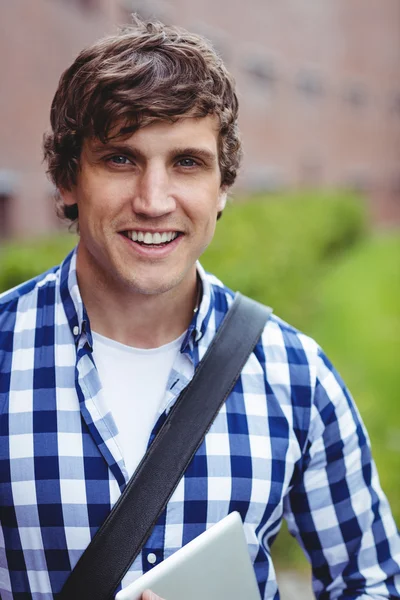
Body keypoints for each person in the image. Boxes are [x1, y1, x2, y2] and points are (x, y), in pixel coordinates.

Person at [0, 15, 399, 600]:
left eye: (186, 162)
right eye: (120, 159)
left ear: (222, 188)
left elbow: (372, 583)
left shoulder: (296, 375)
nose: (154, 200)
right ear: (66, 181)